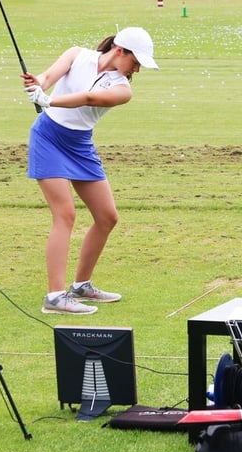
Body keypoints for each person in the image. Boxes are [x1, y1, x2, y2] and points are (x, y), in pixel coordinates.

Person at [22, 26, 158, 314]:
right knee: (65, 214)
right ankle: (55, 297)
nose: (137, 69)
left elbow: (89, 98)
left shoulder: (123, 89)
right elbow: (48, 77)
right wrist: (38, 84)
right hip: (48, 137)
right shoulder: (77, 54)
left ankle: (81, 286)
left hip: (80, 144)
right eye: (136, 62)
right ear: (120, 50)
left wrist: (48, 99)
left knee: (107, 217)